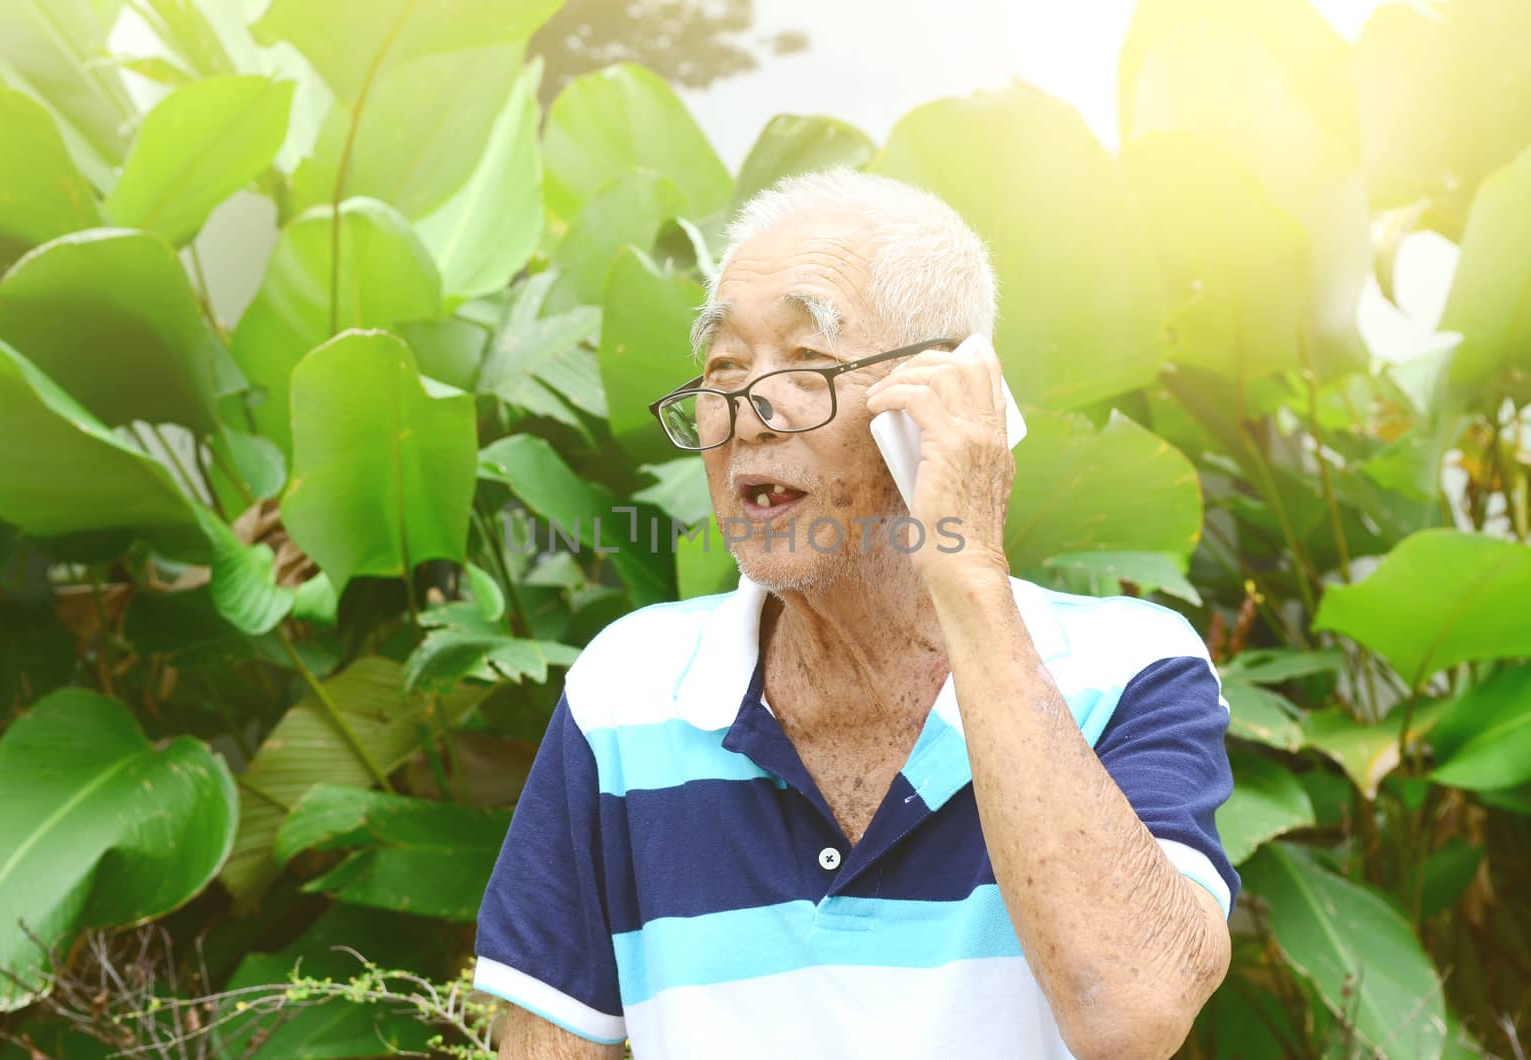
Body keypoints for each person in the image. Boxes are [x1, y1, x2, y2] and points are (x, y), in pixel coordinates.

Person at [471, 167, 1237, 1059]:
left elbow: (1130, 1011)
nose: (746, 415)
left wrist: (970, 570)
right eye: (724, 367)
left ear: (938, 400)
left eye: (808, 363)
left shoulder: (1130, 667)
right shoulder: (625, 691)